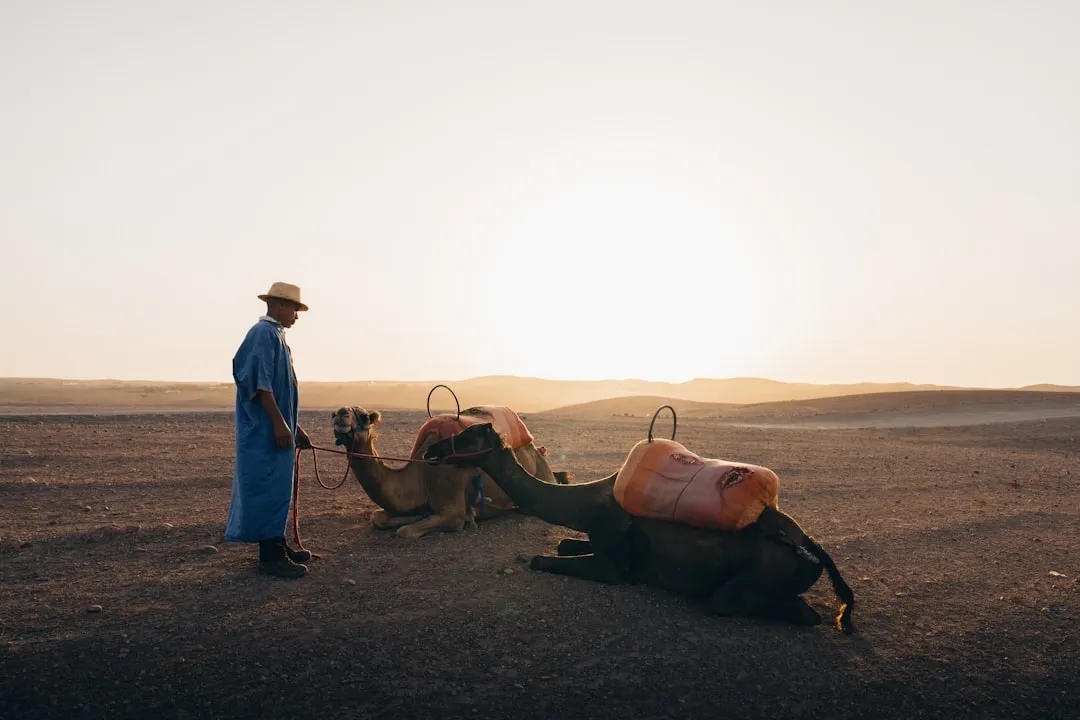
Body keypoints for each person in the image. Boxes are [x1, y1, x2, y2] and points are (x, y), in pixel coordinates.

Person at [224, 281, 315, 578]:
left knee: (277, 488)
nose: (296, 316)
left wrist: (294, 426)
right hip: (265, 431)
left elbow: (281, 390)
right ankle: (270, 556)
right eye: (294, 309)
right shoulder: (263, 334)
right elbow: (261, 385)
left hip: (276, 428)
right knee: (266, 486)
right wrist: (279, 423)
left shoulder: (276, 335)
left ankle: (277, 542)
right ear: (278, 305)